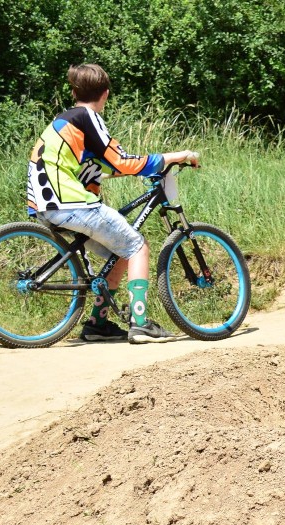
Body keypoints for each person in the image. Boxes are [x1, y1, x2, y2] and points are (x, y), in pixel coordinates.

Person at [27, 63, 199, 344]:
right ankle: (141, 323)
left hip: (45, 205)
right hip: (71, 202)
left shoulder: (64, 121)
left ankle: (98, 323)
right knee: (136, 246)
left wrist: (141, 167)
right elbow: (121, 160)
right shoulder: (87, 117)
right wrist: (172, 156)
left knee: (119, 253)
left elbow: (97, 167)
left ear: (74, 91)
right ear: (105, 94)